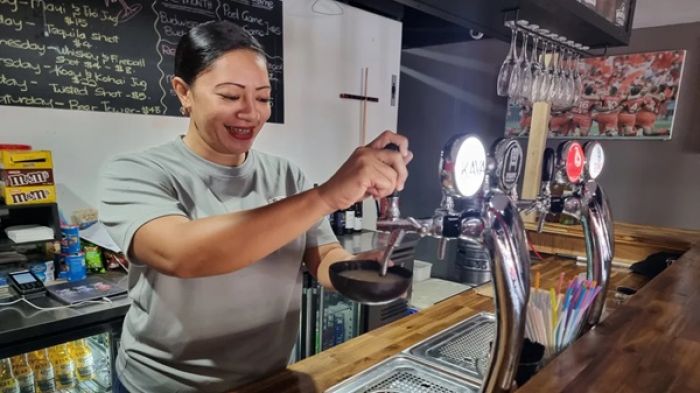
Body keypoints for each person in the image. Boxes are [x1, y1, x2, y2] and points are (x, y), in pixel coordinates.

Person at [98, 21, 412, 393]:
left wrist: (359, 272)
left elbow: (322, 253)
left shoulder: (286, 175)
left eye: (262, 98)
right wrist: (326, 195)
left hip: (271, 378)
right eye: (231, 96)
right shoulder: (137, 172)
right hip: (163, 386)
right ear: (184, 92)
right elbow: (184, 254)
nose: (251, 112)